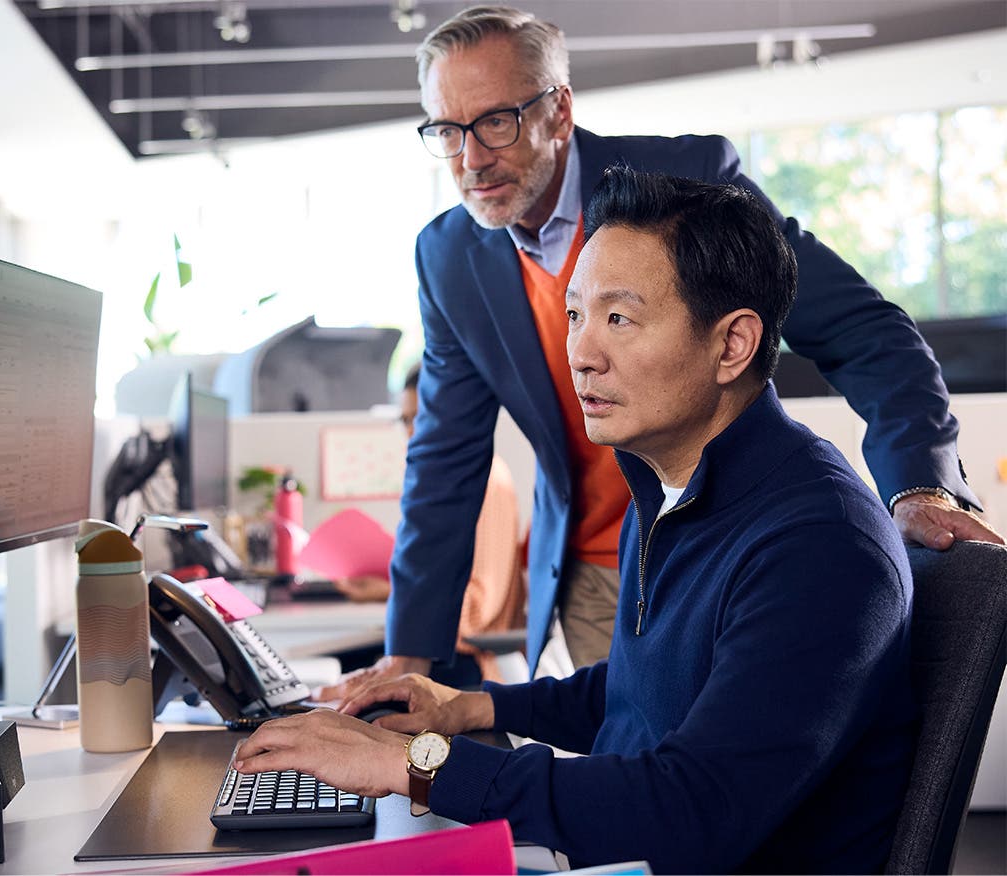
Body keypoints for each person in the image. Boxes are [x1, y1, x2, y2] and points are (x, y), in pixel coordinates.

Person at [234, 167, 919, 873]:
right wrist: (470, 708)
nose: (582, 356)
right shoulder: (666, 493)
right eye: (575, 316)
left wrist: (413, 762)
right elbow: (636, 693)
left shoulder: (818, 546)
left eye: (618, 318)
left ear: (732, 345)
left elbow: (688, 812)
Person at [356, 4, 1001, 684]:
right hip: (590, 578)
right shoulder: (449, 255)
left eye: (495, 122)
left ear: (559, 111)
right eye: (447, 130)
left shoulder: (687, 185)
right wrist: (409, 656)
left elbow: (866, 331)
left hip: (725, 553)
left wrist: (922, 486)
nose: (471, 159)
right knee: (621, 772)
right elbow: (444, 462)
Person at [333, 363, 525, 685]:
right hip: (446, 651)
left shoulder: (485, 479)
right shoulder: (458, 479)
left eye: (421, 417)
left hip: (468, 664)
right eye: (405, 420)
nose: (412, 432)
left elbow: (477, 611)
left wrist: (388, 592)